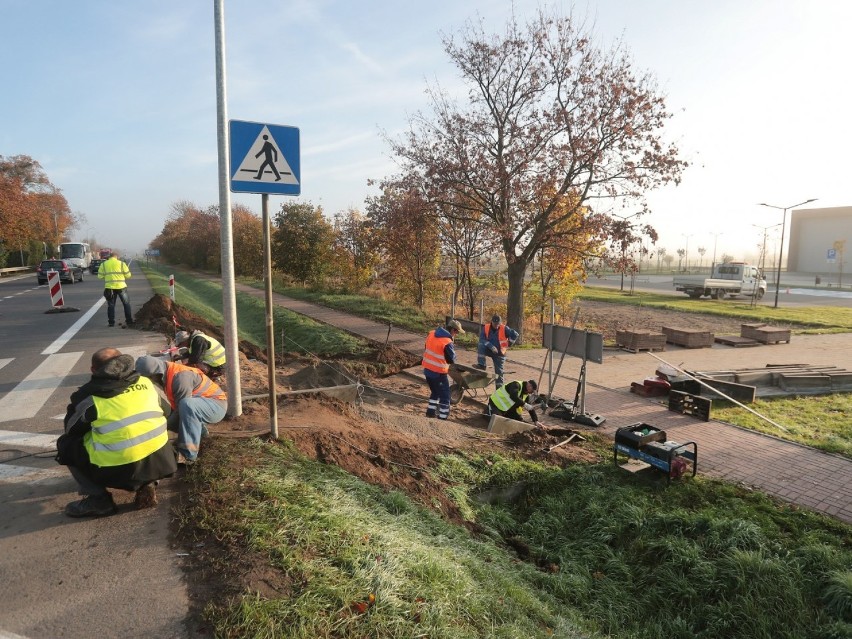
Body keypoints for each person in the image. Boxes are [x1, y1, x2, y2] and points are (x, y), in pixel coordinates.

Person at [55, 348, 177, 517]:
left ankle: (99, 500)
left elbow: (70, 429)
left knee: (65, 445)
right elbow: (167, 412)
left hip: (117, 471)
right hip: (161, 462)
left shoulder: (89, 396)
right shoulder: (146, 383)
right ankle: (147, 483)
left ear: (93, 370)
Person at [135, 355, 227, 465]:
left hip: (216, 407)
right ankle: (201, 434)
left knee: (186, 405)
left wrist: (161, 429)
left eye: (150, 379)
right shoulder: (168, 375)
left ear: (156, 373)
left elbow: (182, 410)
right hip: (205, 405)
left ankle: (188, 455)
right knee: (178, 411)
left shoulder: (180, 377)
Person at [422, 319, 465, 420]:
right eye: (457, 332)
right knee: (445, 397)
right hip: (439, 373)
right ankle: (442, 418)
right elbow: (452, 359)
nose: (456, 335)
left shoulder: (431, 334)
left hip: (427, 370)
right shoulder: (447, 342)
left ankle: (430, 413)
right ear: (453, 330)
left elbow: (427, 348)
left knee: (435, 392)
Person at [475, 314, 519, 388]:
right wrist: (491, 346)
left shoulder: (505, 328)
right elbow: (482, 339)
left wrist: (510, 343)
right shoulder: (486, 327)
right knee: (481, 345)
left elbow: (515, 334)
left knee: (499, 372)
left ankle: (499, 390)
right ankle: (481, 365)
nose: (496, 326)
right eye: (495, 324)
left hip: (500, 353)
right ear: (491, 322)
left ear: (500, 323)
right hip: (490, 350)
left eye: (498, 324)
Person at [98, 250, 134, 327]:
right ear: (116, 257)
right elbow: (128, 276)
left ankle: (111, 322)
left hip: (109, 287)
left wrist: (108, 276)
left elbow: (100, 276)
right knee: (126, 304)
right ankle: (129, 321)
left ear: (109, 257)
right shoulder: (122, 264)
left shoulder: (104, 264)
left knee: (111, 305)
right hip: (121, 287)